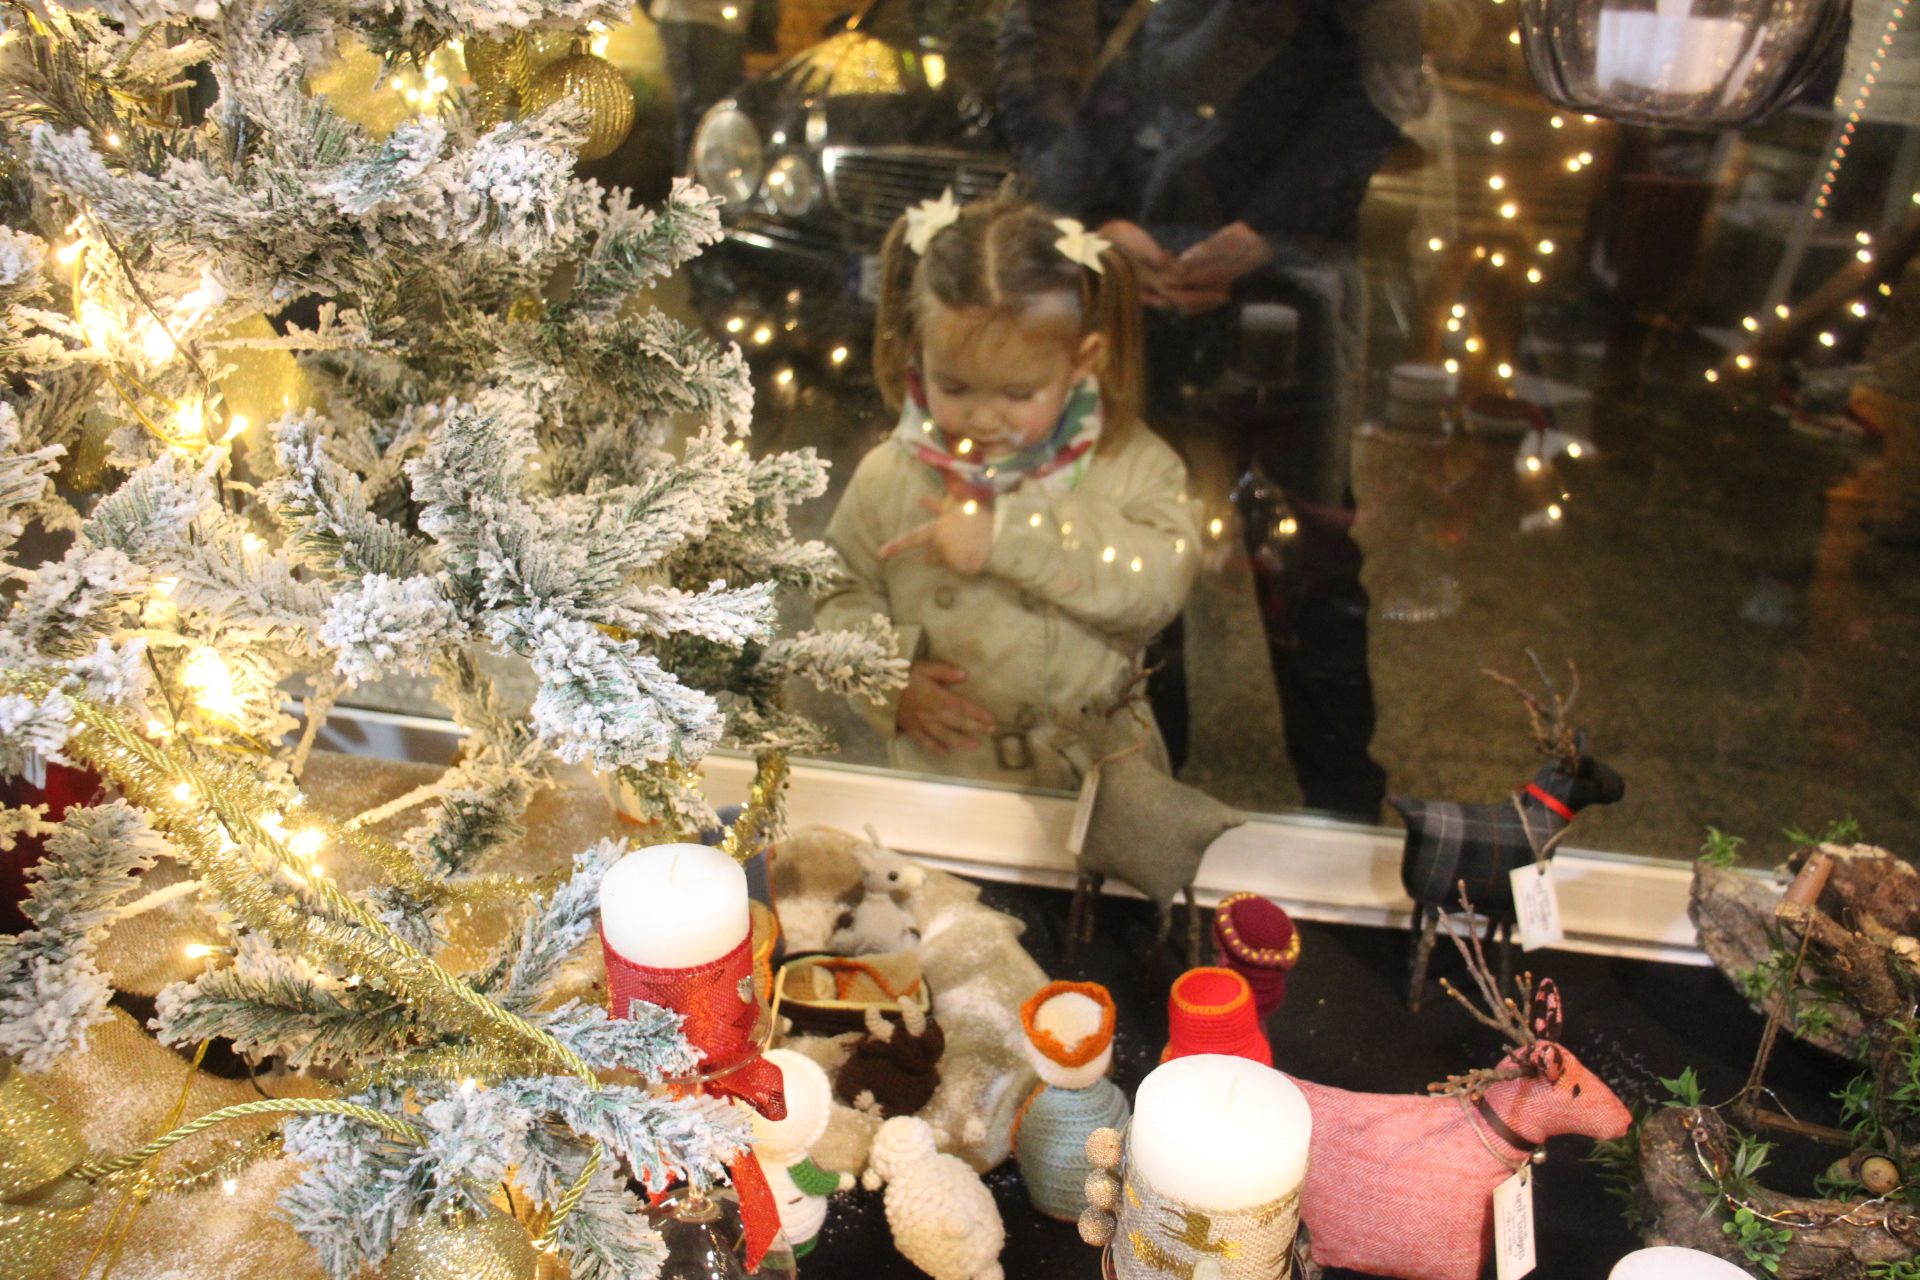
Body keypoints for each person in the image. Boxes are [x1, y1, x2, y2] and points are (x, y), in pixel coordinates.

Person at [997, 0, 1425, 820]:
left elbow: (1378, 72)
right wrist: (1093, 217)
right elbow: (1041, 51)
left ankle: (1338, 808)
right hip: (1123, 273)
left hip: (1284, 272)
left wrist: (1273, 227)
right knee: (1130, 534)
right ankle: (1142, 796)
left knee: (1302, 544)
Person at [814, 196, 1200, 789]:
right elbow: (837, 591)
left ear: (1082, 361)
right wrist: (890, 683)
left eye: (1018, 394)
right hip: (948, 776)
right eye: (955, 386)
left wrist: (1007, 533)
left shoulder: (1130, 463)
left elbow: (1158, 586)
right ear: (916, 351)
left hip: (1099, 778)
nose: (985, 419)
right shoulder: (892, 475)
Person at [651, 0, 765, 173]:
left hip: (693, 19)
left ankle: (691, 184)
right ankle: (695, 185)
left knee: (697, 112)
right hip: (714, 20)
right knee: (705, 112)